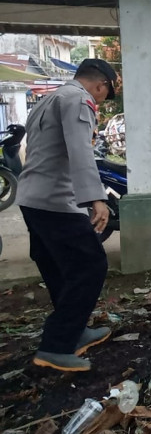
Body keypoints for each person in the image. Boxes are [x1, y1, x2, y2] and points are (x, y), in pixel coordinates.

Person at [15, 59, 117, 372]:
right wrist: (96, 198)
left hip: (32, 197)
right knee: (91, 264)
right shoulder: (79, 101)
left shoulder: (51, 98)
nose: (102, 99)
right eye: (106, 93)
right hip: (57, 200)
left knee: (61, 267)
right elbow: (80, 150)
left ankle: (74, 331)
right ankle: (56, 345)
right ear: (100, 85)